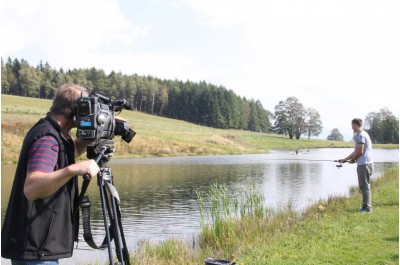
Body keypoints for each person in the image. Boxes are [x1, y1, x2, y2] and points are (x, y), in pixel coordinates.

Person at [2, 84, 100, 264]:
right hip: (35, 250)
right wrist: (72, 170)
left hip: (37, 246)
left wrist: (99, 130)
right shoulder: (48, 138)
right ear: (77, 110)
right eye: (88, 109)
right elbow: (32, 187)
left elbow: (66, 154)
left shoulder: (55, 132)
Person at [338, 118, 373, 213]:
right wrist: (345, 159)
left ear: (356, 124)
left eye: (352, 125)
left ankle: (367, 208)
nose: (351, 127)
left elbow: (360, 151)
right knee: (364, 186)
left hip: (364, 164)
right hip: (364, 164)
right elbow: (356, 151)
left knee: (364, 186)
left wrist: (353, 160)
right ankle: (365, 207)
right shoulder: (361, 135)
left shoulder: (361, 135)